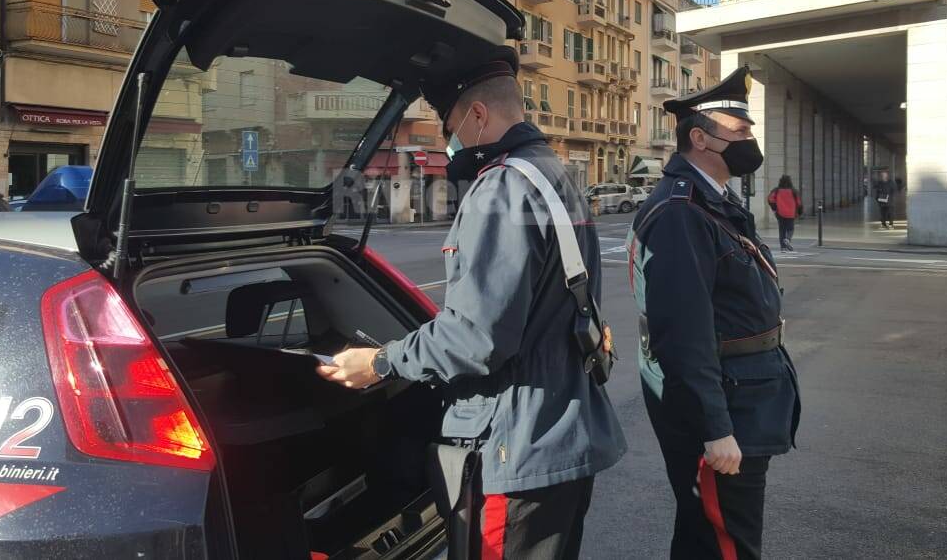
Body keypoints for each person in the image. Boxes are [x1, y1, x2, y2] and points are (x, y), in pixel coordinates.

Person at [317, 45, 626, 559]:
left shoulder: (501, 188)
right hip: (564, 438)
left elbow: (476, 338)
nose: (449, 140)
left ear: (478, 115)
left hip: (512, 446)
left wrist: (378, 362)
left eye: (450, 126)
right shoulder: (553, 175)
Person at [628, 66, 800, 560]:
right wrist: (714, 427)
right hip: (726, 406)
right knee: (728, 544)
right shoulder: (682, 211)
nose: (750, 139)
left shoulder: (713, 201)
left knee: (708, 535)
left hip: (744, 395)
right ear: (700, 138)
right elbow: (682, 333)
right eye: (740, 130)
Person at [765, 174, 802, 252]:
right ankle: (788, 239)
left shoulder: (777, 190)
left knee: (782, 230)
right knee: (790, 229)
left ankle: (783, 248)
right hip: (791, 214)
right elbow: (799, 203)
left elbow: (770, 199)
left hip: (780, 213)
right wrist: (799, 212)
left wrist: (774, 208)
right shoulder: (794, 191)